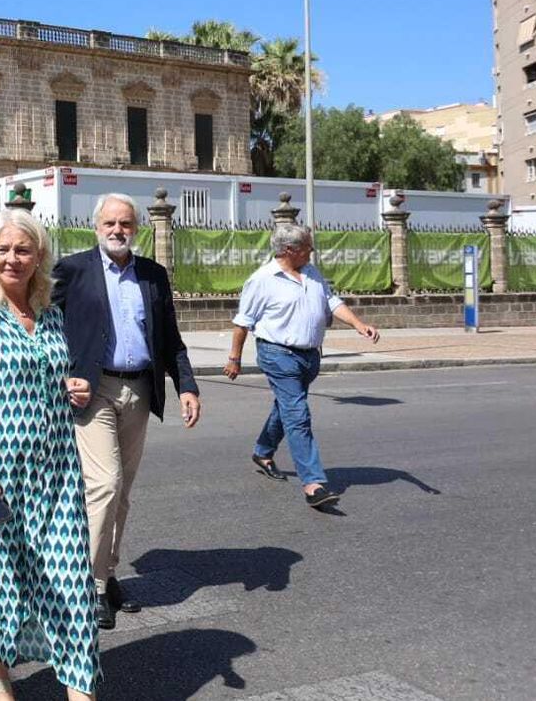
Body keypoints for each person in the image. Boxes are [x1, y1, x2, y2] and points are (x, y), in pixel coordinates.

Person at [0, 208, 100, 701]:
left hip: (54, 477)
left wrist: (75, 388)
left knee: (72, 584)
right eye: (4, 249)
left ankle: (81, 688)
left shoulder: (51, 315)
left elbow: (54, 377)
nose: (13, 258)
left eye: (24, 249)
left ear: (39, 257)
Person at [52, 193, 202, 630]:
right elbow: (46, 325)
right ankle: (91, 585)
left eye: (126, 224)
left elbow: (169, 337)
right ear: (96, 226)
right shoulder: (74, 269)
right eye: (110, 224)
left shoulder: (153, 275)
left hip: (139, 389)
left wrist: (187, 385)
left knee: (123, 491)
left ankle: (109, 571)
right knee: (105, 483)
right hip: (92, 390)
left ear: (137, 228)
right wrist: (59, 373)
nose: (118, 231)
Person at [225, 223, 381, 509]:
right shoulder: (262, 279)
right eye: (308, 246)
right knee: (298, 414)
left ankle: (263, 451)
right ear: (289, 250)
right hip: (277, 353)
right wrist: (234, 358)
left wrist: (359, 324)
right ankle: (313, 483)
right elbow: (242, 323)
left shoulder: (311, 273)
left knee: (286, 407)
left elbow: (332, 302)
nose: (312, 250)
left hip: (309, 356)